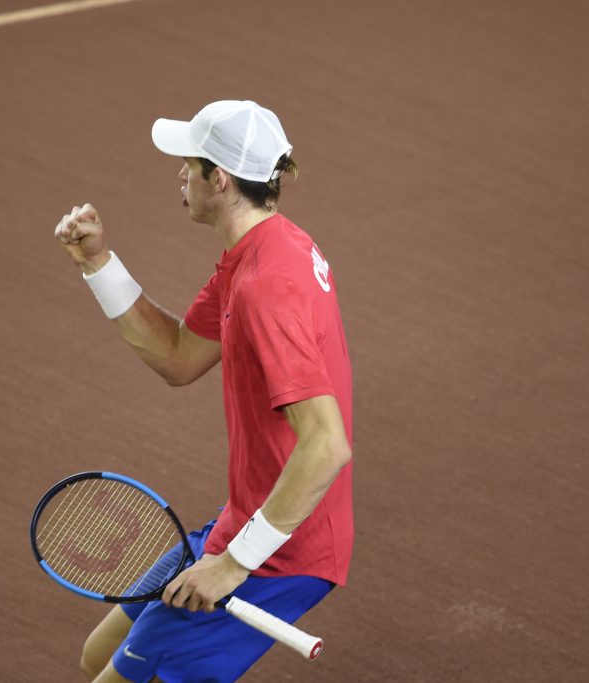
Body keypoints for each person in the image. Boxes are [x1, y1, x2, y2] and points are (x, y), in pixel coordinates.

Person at [53, 100, 354, 683]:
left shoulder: (269, 284)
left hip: (280, 551)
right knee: (100, 655)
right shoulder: (256, 254)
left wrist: (233, 566)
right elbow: (178, 356)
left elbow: (326, 444)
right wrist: (98, 264)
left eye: (188, 164)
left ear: (219, 179)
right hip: (248, 521)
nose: (180, 176)